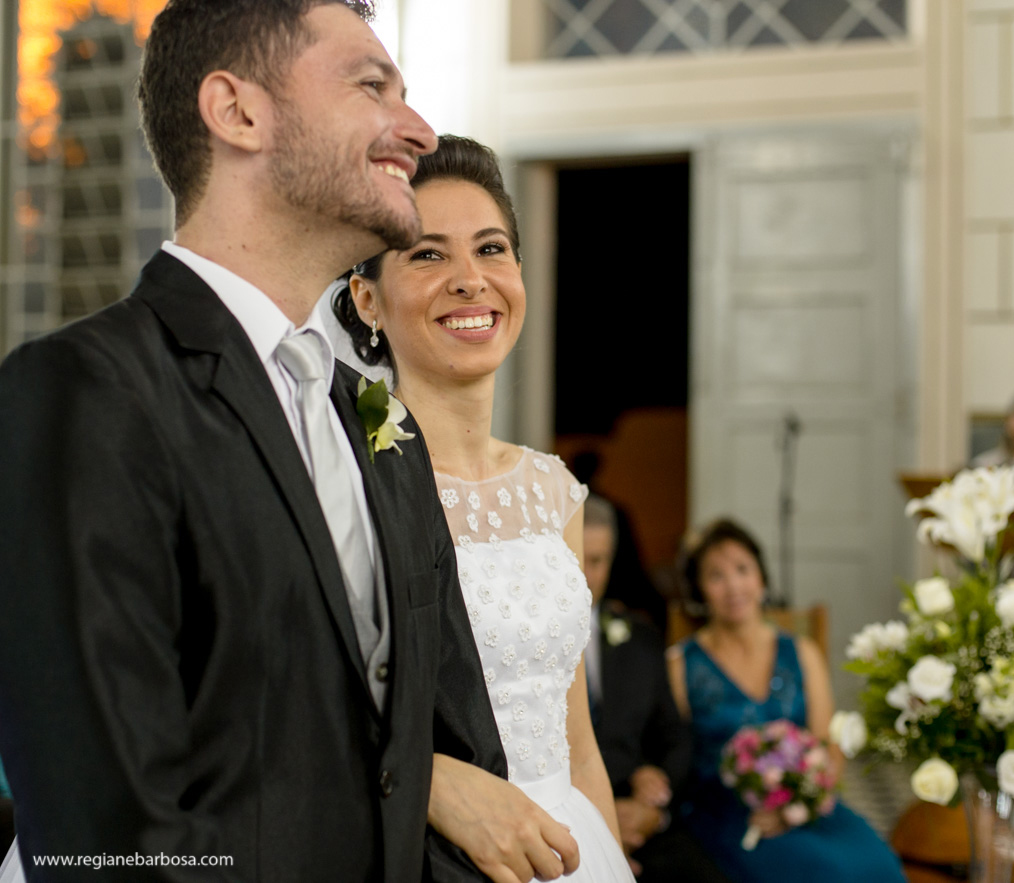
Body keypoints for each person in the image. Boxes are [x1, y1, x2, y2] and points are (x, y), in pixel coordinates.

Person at [0, 3, 506, 881]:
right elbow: (107, 841)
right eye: (371, 86)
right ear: (238, 112)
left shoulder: (382, 426)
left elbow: (458, 763)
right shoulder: (86, 392)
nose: (419, 131)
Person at [334, 135, 631, 882]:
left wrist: (613, 859)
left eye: (491, 248)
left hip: (571, 847)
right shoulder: (346, 480)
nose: (471, 279)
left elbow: (577, 740)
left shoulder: (555, 490)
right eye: (428, 255)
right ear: (367, 297)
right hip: (420, 852)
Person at [666, 519, 905, 883]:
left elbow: (827, 745)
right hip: (730, 815)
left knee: (880, 867)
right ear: (700, 589)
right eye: (716, 576)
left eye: (742, 570)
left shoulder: (802, 652)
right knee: (827, 874)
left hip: (807, 807)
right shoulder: (682, 664)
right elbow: (672, 756)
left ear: (761, 578)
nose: (733, 586)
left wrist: (798, 805)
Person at [582, 497, 732, 883]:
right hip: (565, 821)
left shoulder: (642, 639)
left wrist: (653, 805)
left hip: (641, 816)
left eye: (597, 561)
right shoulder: (523, 648)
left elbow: (675, 738)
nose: (584, 573)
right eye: (575, 555)